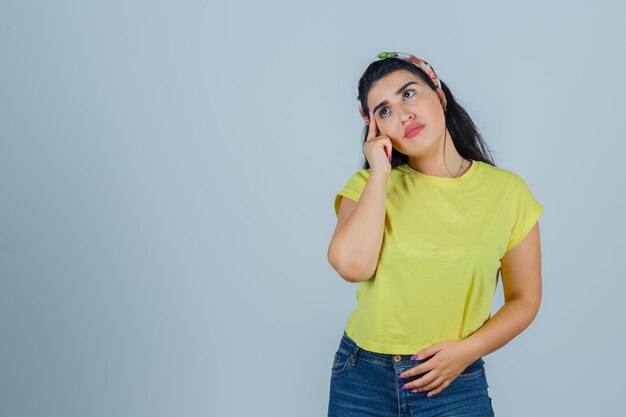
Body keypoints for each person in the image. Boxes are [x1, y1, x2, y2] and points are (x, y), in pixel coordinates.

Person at [326, 52, 544, 417]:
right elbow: (352, 267)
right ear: (376, 128)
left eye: (408, 94)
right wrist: (380, 171)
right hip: (363, 378)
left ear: (439, 95)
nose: (402, 114)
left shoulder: (508, 193)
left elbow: (524, 299)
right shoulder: (367, 186)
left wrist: (467, 351)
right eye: (384, 111)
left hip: (454, 380)